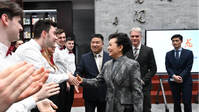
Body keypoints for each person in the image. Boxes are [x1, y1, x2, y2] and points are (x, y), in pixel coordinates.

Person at [0, 1, 60, 111]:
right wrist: (34, 99)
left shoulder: (13, 57)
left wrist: (38, 101)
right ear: (6, 19)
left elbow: (15, 97)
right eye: (18, 22)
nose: (21, 28)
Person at [77, 33, 143, 112]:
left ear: (120, 47)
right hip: (110, 106)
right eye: (108, 45)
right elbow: (98, 81)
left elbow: (137, 91)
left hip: (125, 108)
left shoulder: (131, 65)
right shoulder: (107, 64)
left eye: (110, 45)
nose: (108, 48)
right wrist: (83, 81)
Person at [75, 34, 112, 112]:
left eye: (97, 42)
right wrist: (76, 79)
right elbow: (79, 71)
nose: (94, 45)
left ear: (102, 44)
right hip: (89, 93)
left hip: (105, 94)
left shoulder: (110, 57)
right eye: (93, 42)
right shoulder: (84, 57)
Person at [126, 27, 157, 112]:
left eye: (136, 36)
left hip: (145, 86)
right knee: (129, 109)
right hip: (129, 87)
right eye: (132, 36)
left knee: (146, 109)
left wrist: (143, 80)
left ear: (141, 37)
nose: (134, 38)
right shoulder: (126, 50)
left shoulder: (148, 50)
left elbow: (153, 69)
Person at [165, 34, 193, 112]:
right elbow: (168, 67)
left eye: (177, 41)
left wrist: (181, 77)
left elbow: (188, 67)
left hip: (186, 81)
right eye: (173, 41)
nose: (175, 42)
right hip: (173, 81)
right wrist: (174, 76)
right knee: (176, 102)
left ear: (181, 41)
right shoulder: (168, 54)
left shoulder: (188, 53)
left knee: (187, 102)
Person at [63, 36, 76, 112]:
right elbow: (63, 68)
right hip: (66, 79)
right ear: (65, 44)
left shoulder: (73, 55)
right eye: (69, 43)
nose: (71, 45)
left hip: (72, 79)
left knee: (71, 100)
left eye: (72, 43)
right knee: (66, 102)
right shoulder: (62, 54)